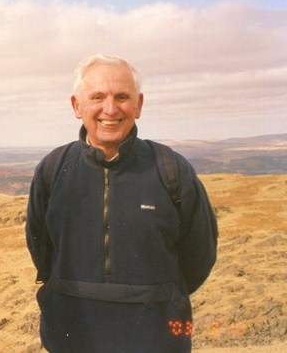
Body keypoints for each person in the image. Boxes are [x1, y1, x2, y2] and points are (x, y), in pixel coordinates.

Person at [25, 53, 218, 352]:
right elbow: (41, 249)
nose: (110, 109)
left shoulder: (171, 169)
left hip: (158, 341)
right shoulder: (53, 168)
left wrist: (156, 296)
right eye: (98, 97)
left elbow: (199, 255)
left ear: (139, 105)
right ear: (77, 106)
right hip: (71, 337)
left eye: (122, 97)